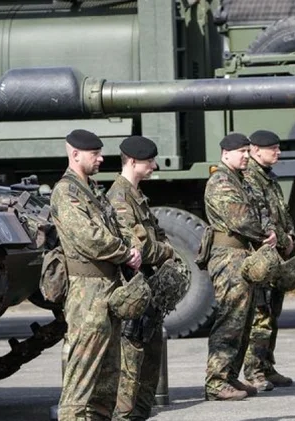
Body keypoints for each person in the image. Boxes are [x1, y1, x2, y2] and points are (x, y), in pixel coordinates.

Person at [52, 129, 142, 421]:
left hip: (108, 286)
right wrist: (124, 252)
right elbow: (88, 237)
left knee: (107, 375)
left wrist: (131, 245)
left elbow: (117, 225)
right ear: (75, 154)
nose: (102, 159)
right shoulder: (66, 192)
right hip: (86, 290)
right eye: (96, 154)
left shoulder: (91, 189)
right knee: (82, 373)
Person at [202, 133, 277, 401]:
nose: (246, 156)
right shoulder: (221, 181)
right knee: (230, 319)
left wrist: (269, 229)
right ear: (226, 154)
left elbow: (263, 210)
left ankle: (231, 376)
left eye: (248, 151)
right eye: (242, 152)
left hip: (244, 254)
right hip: (228, 256)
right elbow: (241, 218)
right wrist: (262, 232)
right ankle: (216, 381)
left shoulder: (243, 181)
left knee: (244, 320)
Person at [107, 135, 175, 420]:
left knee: (150, 355)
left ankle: (140, 413)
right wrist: (167, 250)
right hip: (133, 288)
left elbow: (154, 237)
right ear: (132, 162)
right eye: (149, 161)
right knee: (131, 358)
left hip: (148, 289)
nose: (154, 165)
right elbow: (141, 247)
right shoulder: (120, 198)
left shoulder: (137, 196)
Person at [242, 130, 295, 390]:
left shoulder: (268, 178)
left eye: (278, 147)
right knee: (260, 315)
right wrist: (282, 240)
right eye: (273, 148)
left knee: (273, 313)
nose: (278, 152)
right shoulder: (250, 178)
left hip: (278, 255)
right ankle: (254, 371)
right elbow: (260, 221)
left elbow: (281, 215)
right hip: (262, 256)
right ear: (255, 150)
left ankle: (267, 366)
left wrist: (291, 237)